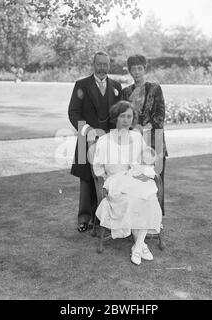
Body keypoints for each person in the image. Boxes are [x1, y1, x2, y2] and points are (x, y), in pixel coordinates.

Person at [92, 101, 162, 265]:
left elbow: (147, 160)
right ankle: (141, 245)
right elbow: (97, 167)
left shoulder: (137, 137)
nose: (125, 120)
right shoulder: (104, 140)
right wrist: (104, 182)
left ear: (133, 119)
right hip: (115, 181)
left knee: (149, 197)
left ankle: (138, 247)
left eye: (129, 116)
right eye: (122, 116)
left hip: (134, 178)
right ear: (116, 117)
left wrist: (144, 167)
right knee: (132, 199)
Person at [68, 51, 122, 233]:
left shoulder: (116, 86)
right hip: (87, 138)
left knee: (105, 178)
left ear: (109, 65)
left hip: (109, 141)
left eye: (105, 64)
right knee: (86, 179)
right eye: (99, 64)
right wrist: (87, 130)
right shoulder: (81, 85)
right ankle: (84, 218)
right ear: (93, 64)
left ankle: (102, 219)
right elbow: (73, 112)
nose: (102, 68)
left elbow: (119, 114)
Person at [122, 54, 168, 216]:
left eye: (139, 68)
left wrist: (145, 127)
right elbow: (124, 115)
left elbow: (160, 114)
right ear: (129, 71)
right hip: (133, 141)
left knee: (156, 178)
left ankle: (157, 216)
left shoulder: (155, 89)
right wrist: (134, 128)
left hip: (154, 140)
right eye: (133, 69)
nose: (137, 72)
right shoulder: (126, 92)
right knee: (136, 177)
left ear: (145, 69)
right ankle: (138, 216)